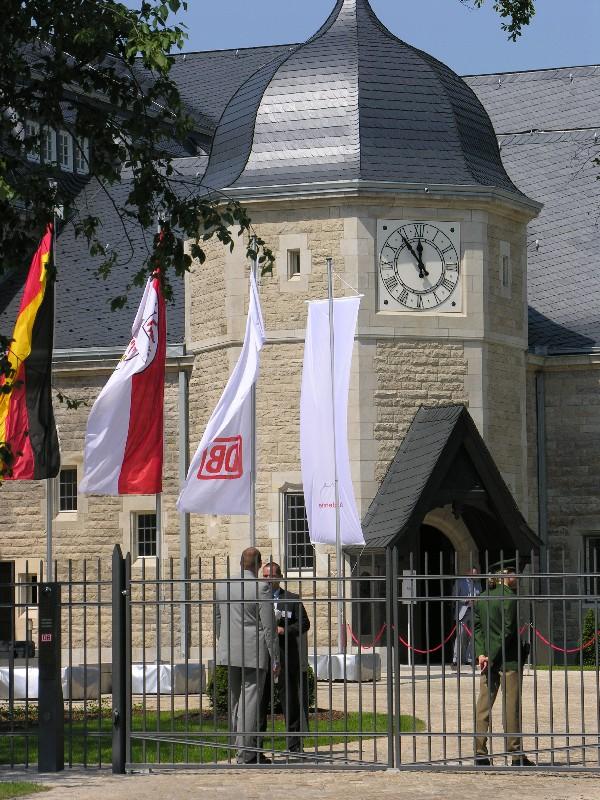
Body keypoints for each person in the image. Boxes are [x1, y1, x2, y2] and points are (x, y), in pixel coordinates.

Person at [215, 547, 280, 764]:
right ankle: (246, 753)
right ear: (259, 565)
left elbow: (217, 619)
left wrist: (224, 641)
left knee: (235, 702)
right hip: (253, 652)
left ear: (240, 563)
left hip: (229, 651)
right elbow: (269, 627)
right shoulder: (261, 588)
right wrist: (275, 657)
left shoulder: (223, 585)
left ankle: (238, 747)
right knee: (250, 704)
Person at [473, 566, 534, 767]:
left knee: (483, 707)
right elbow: (507, 631)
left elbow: (477, 628)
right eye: (513, 572)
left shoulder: (482, 597)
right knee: (511, 708)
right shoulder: (509, 597)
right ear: (504, 575)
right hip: (508, 660)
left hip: (487, 661)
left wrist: (482, 654)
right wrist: (491, 656)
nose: (517, 576)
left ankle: (480, 753)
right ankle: (516, 755)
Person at [259, 561, 310, 754]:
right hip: (262, 657)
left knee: (290, 702)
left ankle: (294, 746)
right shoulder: (256, 599)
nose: (268, 579)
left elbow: (304, 623)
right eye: (265, 576)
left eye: (271, 576)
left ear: (279, 577)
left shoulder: (292, 599)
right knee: (260, 702)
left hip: (286, 656)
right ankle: (256, 746)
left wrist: (284, 630)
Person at [452, 566, 481, 669]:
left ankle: (469, 658)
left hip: (474, 612)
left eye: (476, 574)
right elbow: (454, 596)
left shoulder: (478, 584)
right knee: (460, 635)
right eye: (473, 573)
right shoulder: (460, 582)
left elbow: (480, 596)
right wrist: (466, 600)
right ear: (468, 572)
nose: (475, 575)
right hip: (462, 612)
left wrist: (476, 601)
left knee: (472, 636)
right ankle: (456, 659)